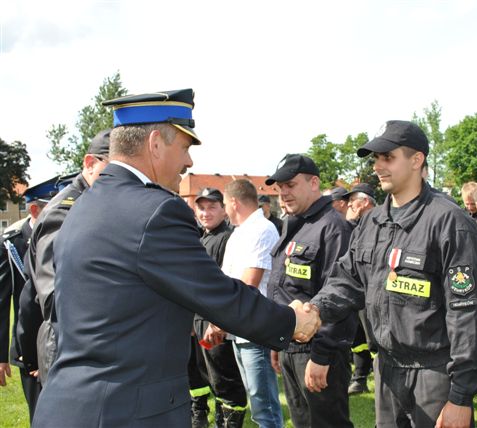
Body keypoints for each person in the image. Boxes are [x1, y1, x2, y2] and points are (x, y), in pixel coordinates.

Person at [31, 89, 320, 428]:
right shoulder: (155, 212)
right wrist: (291, 321)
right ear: (155, 144)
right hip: (126, 412)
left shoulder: (83, 206)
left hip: (73, 405)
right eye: (184, 147)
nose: (189, 162)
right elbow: (217, 293)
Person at [309, 120, 477, 428]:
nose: (378, 167)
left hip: (435, 373)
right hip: (386, 369)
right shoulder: (371, 223)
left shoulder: (449, 222)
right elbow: (347, 280)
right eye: (376, 159)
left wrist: (461, 395)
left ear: (416, 160)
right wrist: (316, 307)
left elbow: (470, 313)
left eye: (388, 157)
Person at [266, 154, 356, 428]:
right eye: (279, 187)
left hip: (318, 350)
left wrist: (322, 355)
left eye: (290, 185)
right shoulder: (295, 223)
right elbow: (284, 287)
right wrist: (277, 340)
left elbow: (340, 294)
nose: (283, 193)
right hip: (290, 346)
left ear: (314, 182)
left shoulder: (333, 227)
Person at [16, 130, 111, 387]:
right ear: (90, 164)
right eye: (113, 169)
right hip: (68, 353)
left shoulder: (99, 203)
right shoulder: (64, 213)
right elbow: (56, 299)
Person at [223, 179, 284, 428]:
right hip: (241, 327)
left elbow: (249, 283)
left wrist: (221, 316)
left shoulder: (261, 229)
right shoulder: (242, 231)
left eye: (225, 204)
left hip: (256, 329)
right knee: (258, 404)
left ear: (234, 203)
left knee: (264, 407)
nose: (226, 209)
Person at [0, 176, 57, 421]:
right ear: (35, 209)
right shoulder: (13, 242)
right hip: (29, 347)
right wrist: (1, 355)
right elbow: (3, 302)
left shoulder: (65, 233)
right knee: (40, 416)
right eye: (51, 205)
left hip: (62, 345)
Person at [191, 187, 248, 428]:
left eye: (212, 207)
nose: (205, 213)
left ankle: (231, 423)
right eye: (201, 208)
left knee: (226, 379)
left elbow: (227, 284)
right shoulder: (202, 237)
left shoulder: (228, 238)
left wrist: (218, 323)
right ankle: (214, 418)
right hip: (199, 318)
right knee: (208, 376)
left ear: (224, 210)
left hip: (216, 321)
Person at [340, 183, 377, 395]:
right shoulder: (358, 225)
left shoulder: (378, 223)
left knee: (374, 341)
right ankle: (360, 378)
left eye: (352, 200)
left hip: (375, 294)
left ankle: (382, 382)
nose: (349, 205)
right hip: (359, 292)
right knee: (359, 339)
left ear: (364, 202)